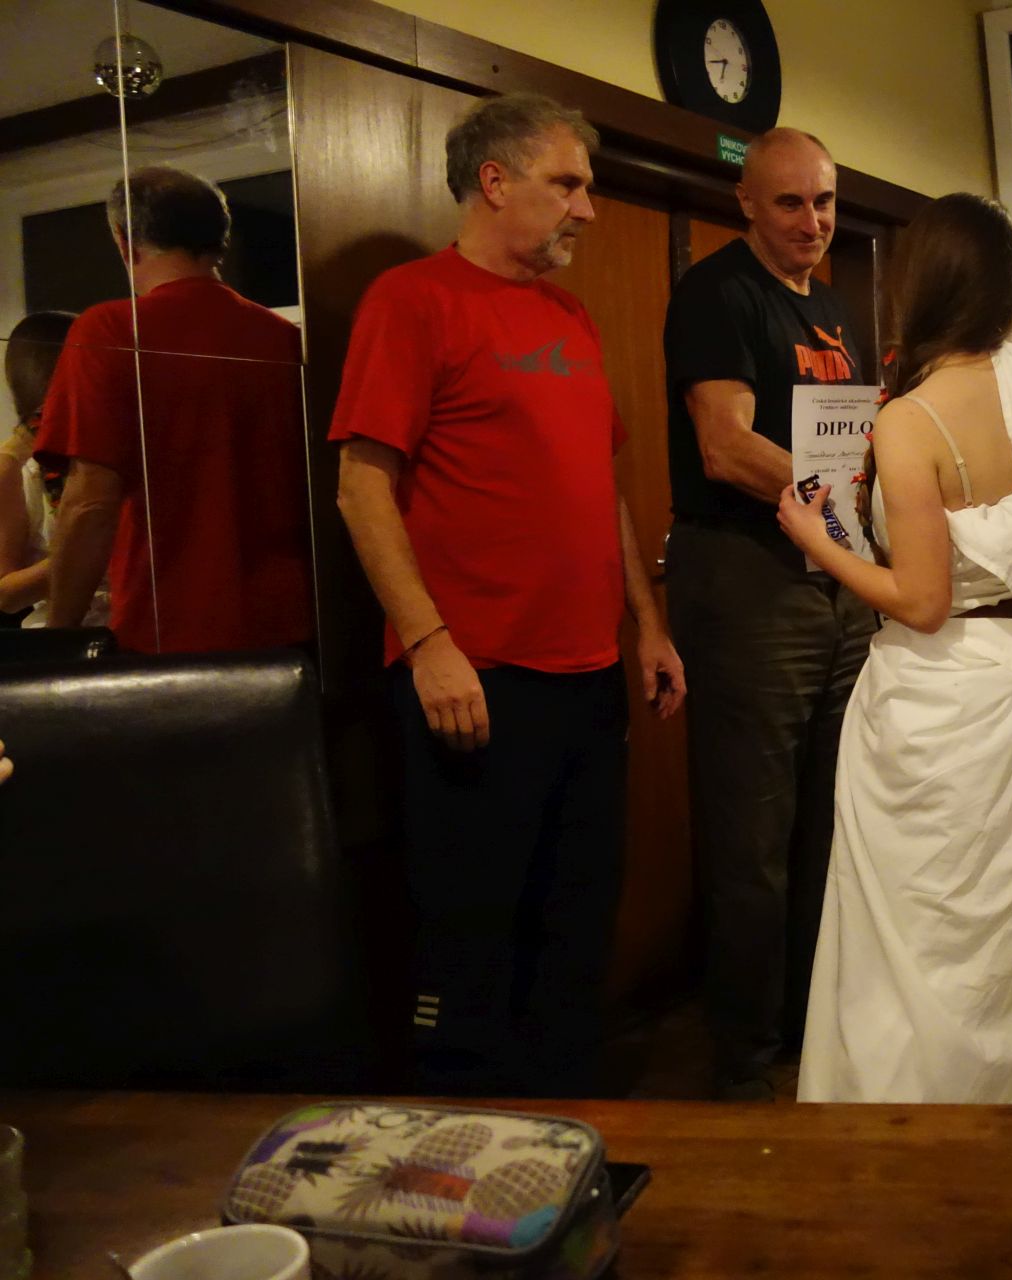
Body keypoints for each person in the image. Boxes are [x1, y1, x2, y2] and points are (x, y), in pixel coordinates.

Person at [331, 93, 684, 1096]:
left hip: (588, 679)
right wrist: (429, 643)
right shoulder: (412, 299)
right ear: (495, 181)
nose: (587, 208)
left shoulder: (569, 313)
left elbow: (601, 485)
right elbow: (361, 489)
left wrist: (648, 625)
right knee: (472, 942)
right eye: (567, 184)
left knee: (575, 932)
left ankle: (566, 1137)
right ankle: (467, 1158)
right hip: (477, 679)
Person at [778, 193, 1012, 1103]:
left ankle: (905, 1130)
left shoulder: (911, 419)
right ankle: (1010, 1119)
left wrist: (816, 540)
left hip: (945, 692)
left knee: (913, 941)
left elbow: (921, 602)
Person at [663, 127, 875, 1101]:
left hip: (833, 573)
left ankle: (809, 1033)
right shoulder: (718, 292)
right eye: (790, 202)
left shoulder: (830, 306)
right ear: (745, 201)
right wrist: (845, 503)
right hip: (749, 575)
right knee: (753, 836)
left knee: (832, 821)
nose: (812, 221)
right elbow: (725, 446)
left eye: (824, 201)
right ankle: (745, 1057)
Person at [33, 166, 310, 650]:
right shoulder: (286, 339)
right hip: (290, 625)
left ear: (125, 241)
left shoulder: (111, 330)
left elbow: (91, 502)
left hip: (168, 630)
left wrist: (58, 638)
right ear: (219, 239)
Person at [1, 312, 109, 627]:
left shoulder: (125, 444)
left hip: (143, 629)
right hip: (68, 636)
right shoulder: (20, 467)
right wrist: (86, 552)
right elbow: (5, 595)